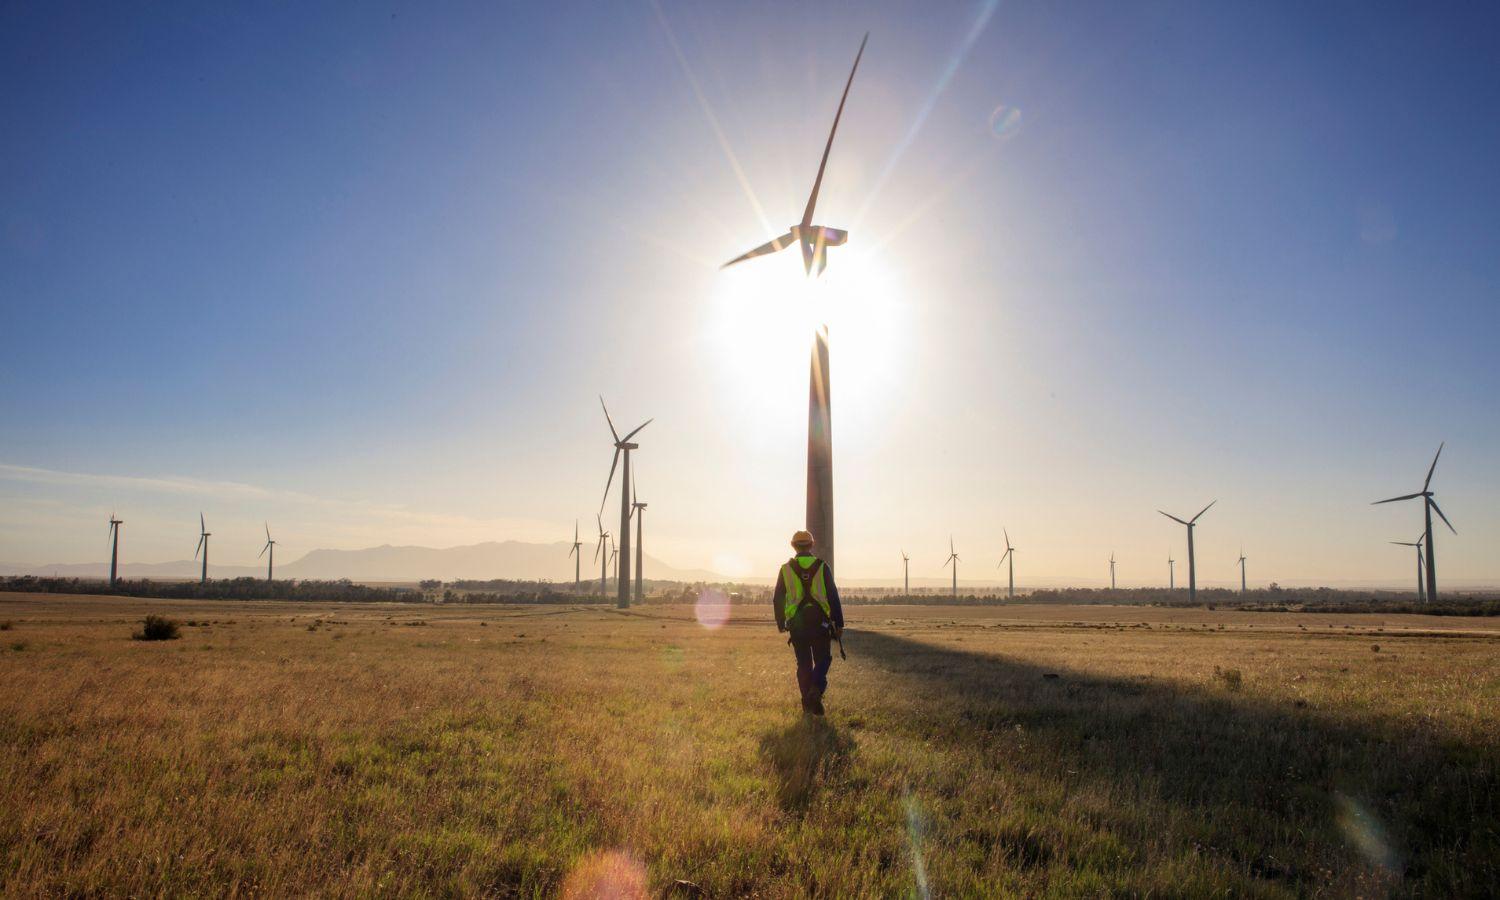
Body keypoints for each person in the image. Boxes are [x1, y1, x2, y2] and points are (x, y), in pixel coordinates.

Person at [772, 530, 844, 715]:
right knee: (823, 659)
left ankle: (807, 702)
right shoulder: (822, 566)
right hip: (820, 623)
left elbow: (778, 597)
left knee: (803, 664)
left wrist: (781, 623)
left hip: (797, 624)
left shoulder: (785, 569)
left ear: (793, 545)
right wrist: (839, 623)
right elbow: (833, 596)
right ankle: (816, 691)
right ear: (812, 544)